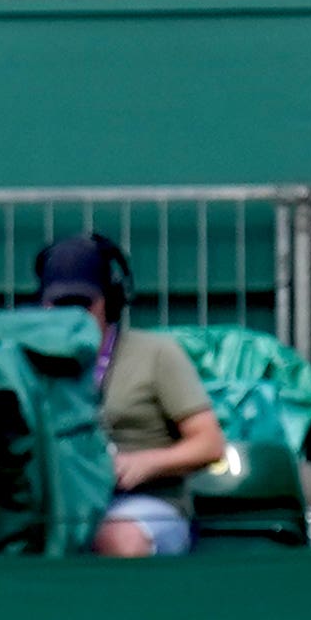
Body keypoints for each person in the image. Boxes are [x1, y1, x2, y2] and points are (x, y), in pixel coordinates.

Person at [34, 234, 223, 558]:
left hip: (141, 503)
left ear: (111, 300)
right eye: (60, 305)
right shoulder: (28, 360)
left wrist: (145, 463)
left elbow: (210, 444)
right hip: (57, 502)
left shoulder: (157, 354)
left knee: (113, 537)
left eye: (83, 303)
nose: (72, 315)